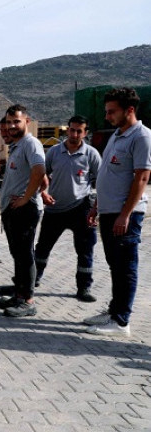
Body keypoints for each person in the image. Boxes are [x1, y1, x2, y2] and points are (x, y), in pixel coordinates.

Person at [84, 87, 151, 336]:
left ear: (129, 110)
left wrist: (125, 214)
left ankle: (122, 320)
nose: (107, 116)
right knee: (115, 265)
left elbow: (142, 177)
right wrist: (97, 206)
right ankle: (114, 311)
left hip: (126, 214)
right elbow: (108, 175)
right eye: (106, 111)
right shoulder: (117, 135)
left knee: (126, 266)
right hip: (109, 211)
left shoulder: (141, 137)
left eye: (112, 112)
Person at [32, 116, 101, 303]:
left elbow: (102, 181)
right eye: (72, 130)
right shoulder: (54, 152)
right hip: (55, 209)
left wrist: (96, 208)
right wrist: (43, 193)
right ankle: (34, 279)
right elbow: (40, 174)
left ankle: (84, 287)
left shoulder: (91, 154)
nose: (75, 134)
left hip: (81, 209)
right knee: (43, 247)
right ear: (67, 130)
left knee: (85, 250)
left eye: (79, 131)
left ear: (85, 133)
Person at [0, 105, 46, 317]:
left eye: (16, 121)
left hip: (25, 210)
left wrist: (26, 197)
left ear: (26, 121)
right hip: (13, 209)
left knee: (25, 255)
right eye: (9, 122)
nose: (12, 125)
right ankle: (19, 294)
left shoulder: (31, 143)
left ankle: (27, 300)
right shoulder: (17, 145)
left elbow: (40, 171)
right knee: (18, 254)